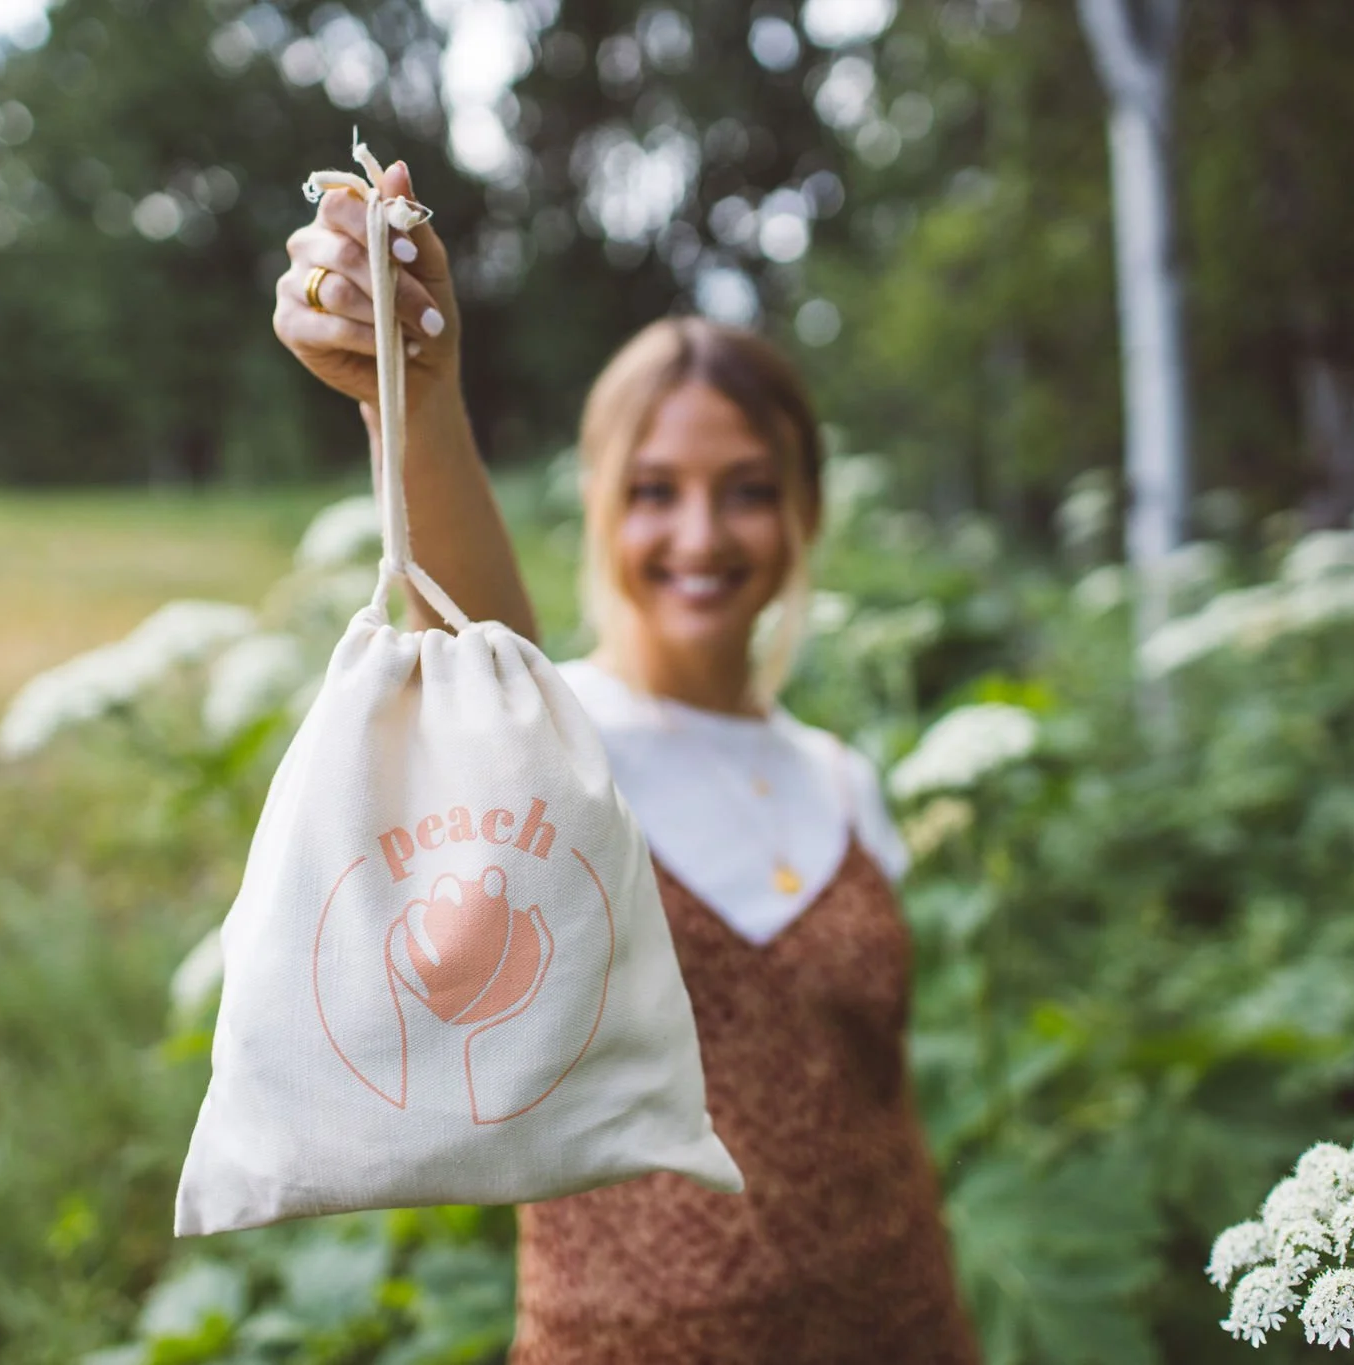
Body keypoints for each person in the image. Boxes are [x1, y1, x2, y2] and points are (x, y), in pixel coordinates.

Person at [274, 160, 980, 1365]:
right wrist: (414, 398)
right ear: (599, 506)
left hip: (902, 1320)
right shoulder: (557, 742)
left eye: (747, 491)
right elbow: (471, 632)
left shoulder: (841, 777)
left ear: (805, 510)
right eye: (655, 492)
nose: (700, 536)